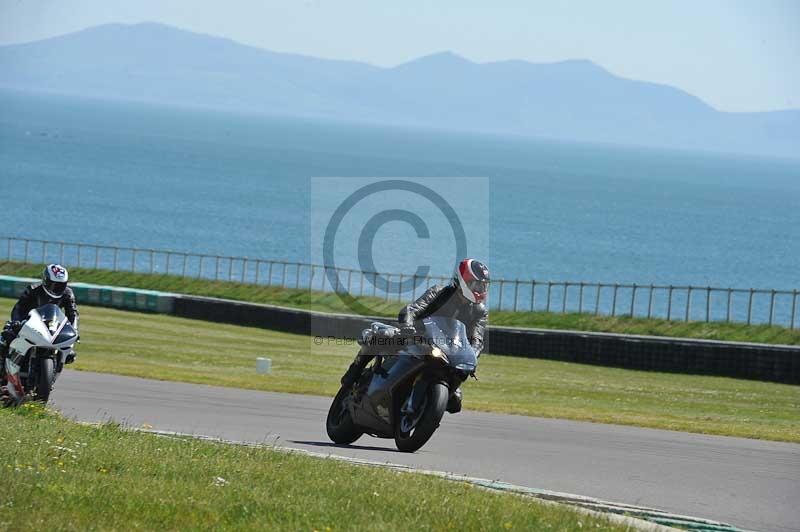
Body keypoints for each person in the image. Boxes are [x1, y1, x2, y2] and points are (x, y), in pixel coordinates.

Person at [340, 258, 489, 413]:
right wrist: (408, 325)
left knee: (455, 402)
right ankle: (353, 374)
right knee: (380, 336)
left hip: (447, 353)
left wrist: (472, 355)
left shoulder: (480, 312)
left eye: (483, 285)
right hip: (417, 337)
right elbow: (412, 309)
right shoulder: (439, 293)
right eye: (476, 284)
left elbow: (477, 340)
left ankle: (423, 410)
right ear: (463, 280)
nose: (480, 289)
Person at [0, 264, 79, 386]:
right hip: (28, 324)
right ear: (45, 280)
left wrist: (74, 329)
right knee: (6, 337)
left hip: (51, 327)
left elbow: (73, 314)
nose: (57, 288)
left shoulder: (68, 293)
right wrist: (16, 321)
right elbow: (18, 308)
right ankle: (3, 373)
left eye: (61, 285)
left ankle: (50, 378)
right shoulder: (33, 289)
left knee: (69, 353)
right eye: (54, 284)